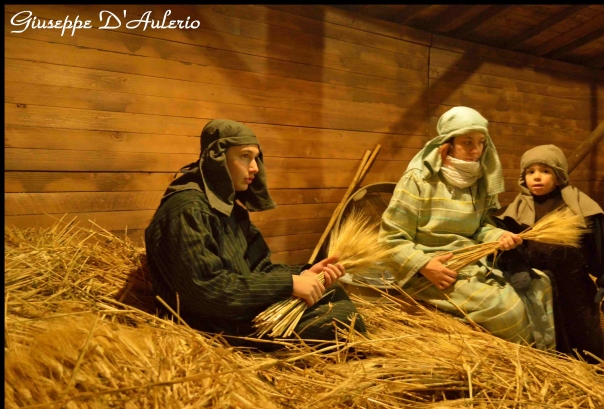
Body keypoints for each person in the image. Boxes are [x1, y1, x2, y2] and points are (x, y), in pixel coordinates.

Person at [145, 119, 365, 346]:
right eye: (244, 156)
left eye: (256, 158)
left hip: (239, 311)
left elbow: (260, 268)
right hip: (211, 328)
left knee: (332, 294)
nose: (255, 168)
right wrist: (288, 284)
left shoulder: (231, 210)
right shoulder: (187, 210)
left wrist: (305, 273)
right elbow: (206, 292)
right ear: (217, 159)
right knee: (339, 322)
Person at [379, 107, 556, 351]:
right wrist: (424, 265)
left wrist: (498, 235)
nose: (476, 150)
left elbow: (480, 227)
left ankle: (543, 358)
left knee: (540, 285)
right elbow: (390, 239)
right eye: (467, 142)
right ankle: (512, 368)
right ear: (447, 144)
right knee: (509, 311)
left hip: (472, 262)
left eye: (481, 142)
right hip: (434, 272)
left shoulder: (477, 181)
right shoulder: (419, 180)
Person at [494, 144, 604, 363]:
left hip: (574, 283)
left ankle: (592, 372)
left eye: (545, 171)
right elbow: (506, 243)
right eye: (531, 172)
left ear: (559, 176)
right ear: (523, 177)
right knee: (545, 332)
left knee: (582, 329)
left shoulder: (579, 205)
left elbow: (600, 242)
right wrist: (516, 266)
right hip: (537, 283)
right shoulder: (516, 210)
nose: (537, 177)